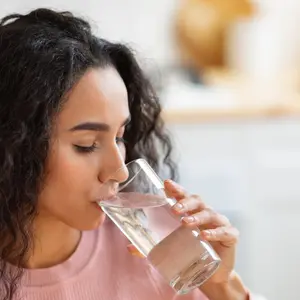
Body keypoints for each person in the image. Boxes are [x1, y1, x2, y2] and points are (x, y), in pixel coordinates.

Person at [0, 8, 264, 300]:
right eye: (86, 144)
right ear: (14, 144)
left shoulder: (158, 252)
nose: (120, 170)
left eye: (120, 137)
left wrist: (224, 289)